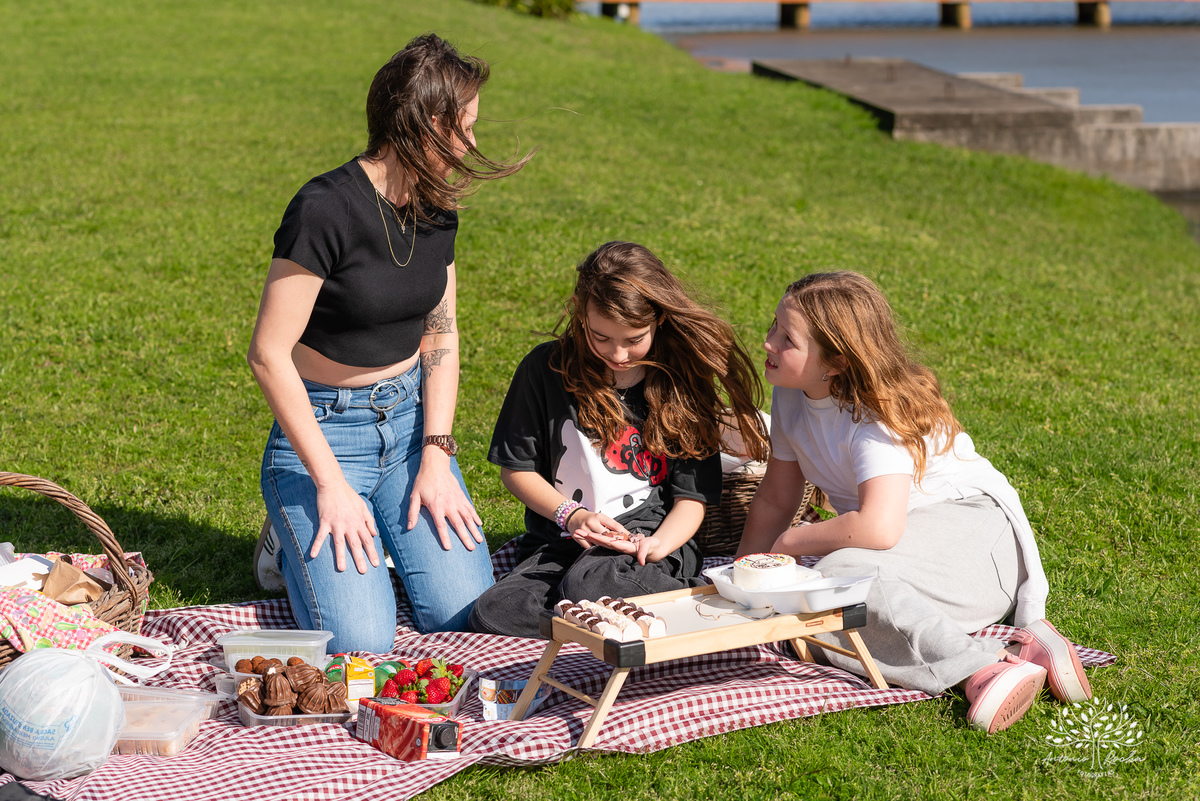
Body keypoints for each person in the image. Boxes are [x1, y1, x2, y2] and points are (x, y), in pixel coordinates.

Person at [247, 33, 529, 652]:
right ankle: (285, 542)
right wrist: (329, 484)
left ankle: (372, 526)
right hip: (325, 433)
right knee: (362, 643)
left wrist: (435, 452)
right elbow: (268, 354)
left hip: (408, 428)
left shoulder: (439, 208)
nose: (474, 146)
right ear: (425, 126)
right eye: (466, 128)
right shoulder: (324, 208)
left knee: (464, 613)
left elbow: (442, 334)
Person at [736, 271, 1092, 733]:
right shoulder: (789, 394)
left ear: (836, 361)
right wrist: (742, 581)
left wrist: (789, 543)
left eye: (787, 338)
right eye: (772, 327)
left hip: (976, 548)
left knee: (835, 581)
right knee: (804, 614)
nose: (767, 342)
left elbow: (879, 529)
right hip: (908, 556)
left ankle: (981, 669)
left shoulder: (875, 413)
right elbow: (776, 495)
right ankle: (1022, 649)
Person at [469, 241, 770, 638]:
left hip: (644, 542)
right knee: (492, 611)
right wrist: (571, 516)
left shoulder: (680, 382)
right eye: (601, 337)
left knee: (590, 584)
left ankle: (656, 608)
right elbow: (516, 471)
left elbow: (691, 501)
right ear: (580, 310)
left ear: (658, 321)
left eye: (634, 339)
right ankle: (614, 622)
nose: (619, 354)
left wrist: (659, 545)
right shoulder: (543, 369)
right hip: (564, 538)